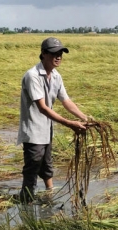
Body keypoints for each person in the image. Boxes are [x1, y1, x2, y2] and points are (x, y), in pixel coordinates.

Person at [17, 37, 88, 203]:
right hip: (33, 129)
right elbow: (42, 107)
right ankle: (26, 199)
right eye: (54, 53)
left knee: (47, 163)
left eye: (61, 53)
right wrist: (70, 124)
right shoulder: (32, 75)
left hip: (47, 128)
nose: (59, 57)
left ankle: (50, 193)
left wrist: (84, 117)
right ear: (43, 53)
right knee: (33, 165)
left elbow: (66, 101)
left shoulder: (56, 76)